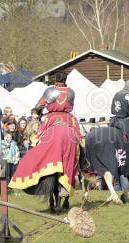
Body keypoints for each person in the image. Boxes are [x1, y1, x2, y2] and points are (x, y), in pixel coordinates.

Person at [9, 71, 83, 203]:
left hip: (52, 119)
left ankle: (37, 171)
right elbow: (70, 106)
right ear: (66, 79)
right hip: (68, 120)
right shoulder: (71, 92)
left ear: (56, 79)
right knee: (80, 144)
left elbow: (38, 106)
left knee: (36, 142)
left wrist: (39, 111)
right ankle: (83, 167)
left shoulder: (50, 90)